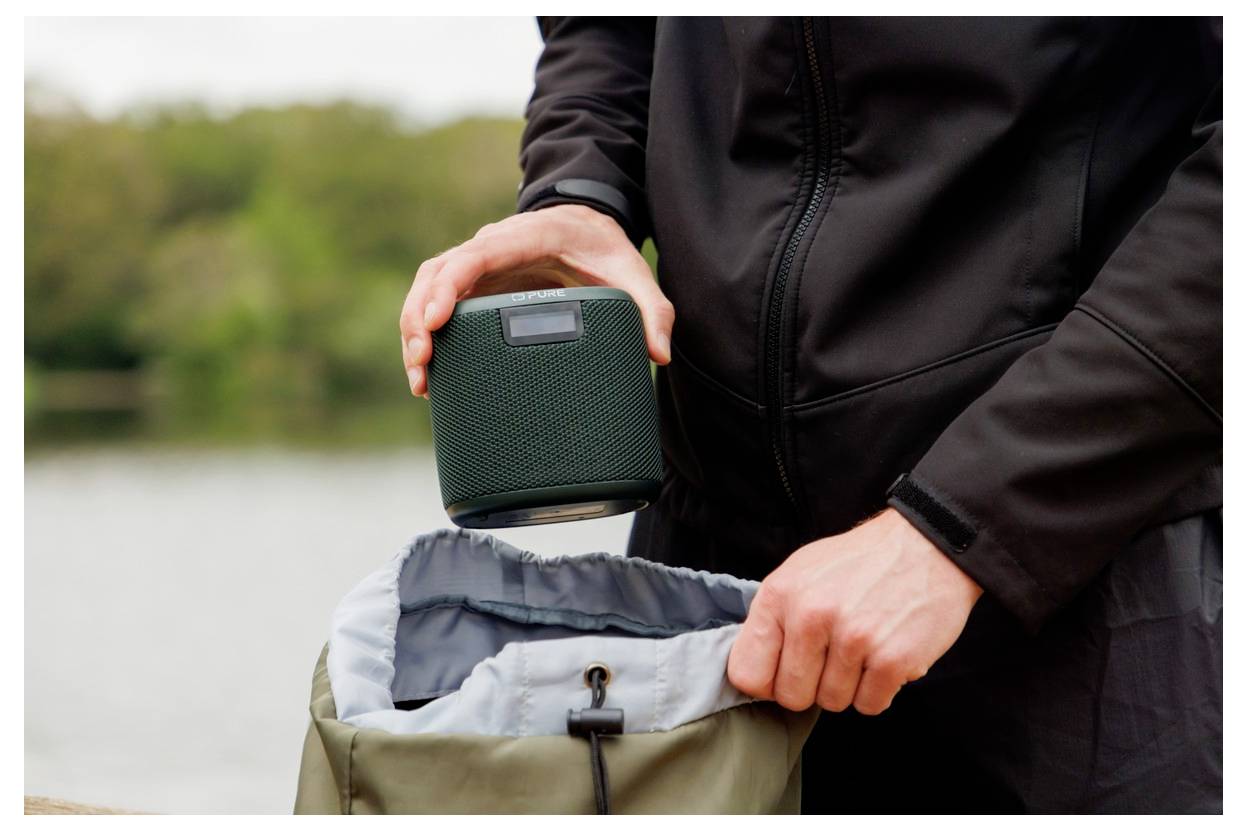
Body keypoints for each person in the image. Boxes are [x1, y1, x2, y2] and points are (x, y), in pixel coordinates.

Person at [399, 18, 1222, 813]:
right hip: (710, 592)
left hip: (1076, 582)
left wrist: (967, 522)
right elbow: (606, 26)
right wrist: (578, 186)